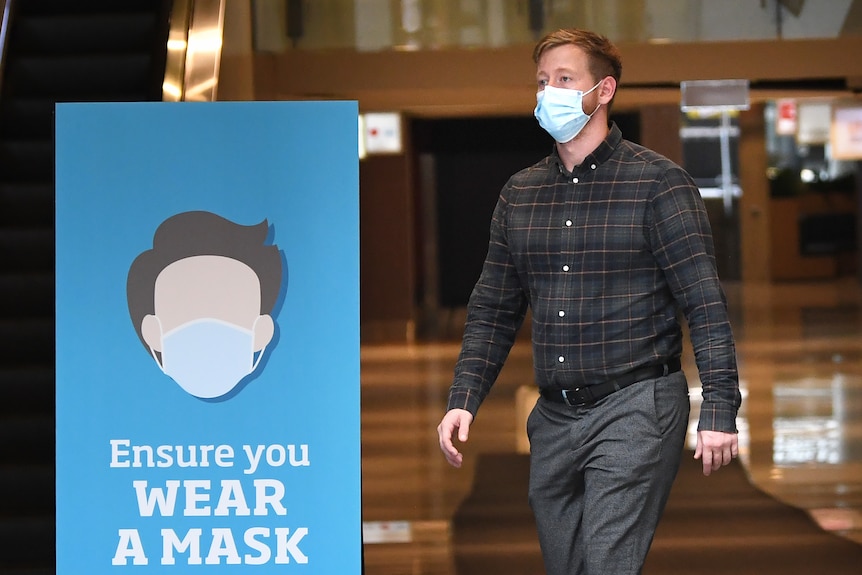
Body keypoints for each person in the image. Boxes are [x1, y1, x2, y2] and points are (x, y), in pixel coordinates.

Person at [436, 28, 742, 575]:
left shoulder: (658, 185)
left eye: (564, 79)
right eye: (541, 81)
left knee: (607, 564)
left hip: (637, 406)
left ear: (604, 90)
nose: (548, 92)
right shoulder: (521, 193)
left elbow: (704, 304)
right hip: (553, 416)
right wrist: (464, 396)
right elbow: (493, 308)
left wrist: (719, 410)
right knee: (568, 566)